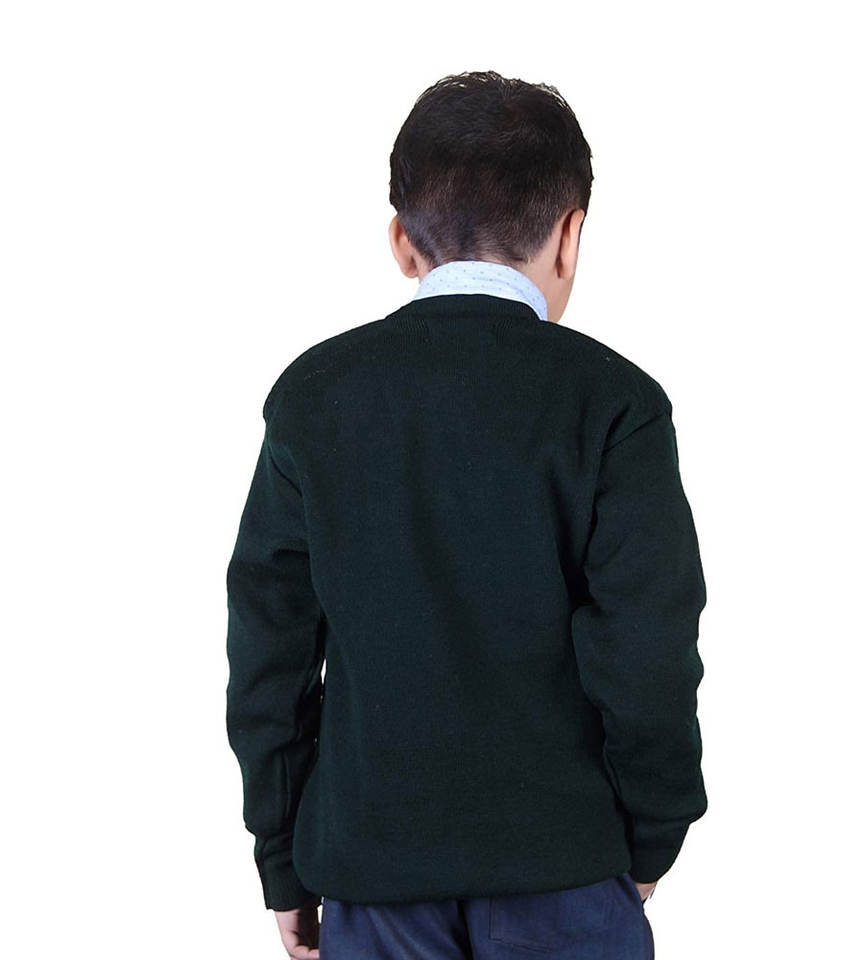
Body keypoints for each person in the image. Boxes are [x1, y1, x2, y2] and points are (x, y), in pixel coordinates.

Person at [225, 69, 708, 960]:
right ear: (570, 236)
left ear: (403, 243)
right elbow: (649, 651)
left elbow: (270, 657)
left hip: (373, 877)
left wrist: (284, 861)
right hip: (567, 870)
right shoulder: (616, 405)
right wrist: (652, 835)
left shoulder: (313, 399)